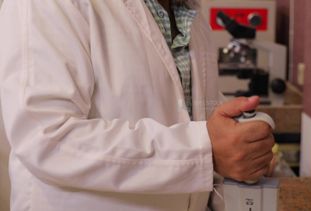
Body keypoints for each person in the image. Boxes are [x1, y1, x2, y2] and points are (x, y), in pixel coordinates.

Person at [0, 0, 275, 211]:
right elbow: (47, 139)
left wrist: (239, 139)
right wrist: (205, 149)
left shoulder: (187, 10)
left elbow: (183, 105)